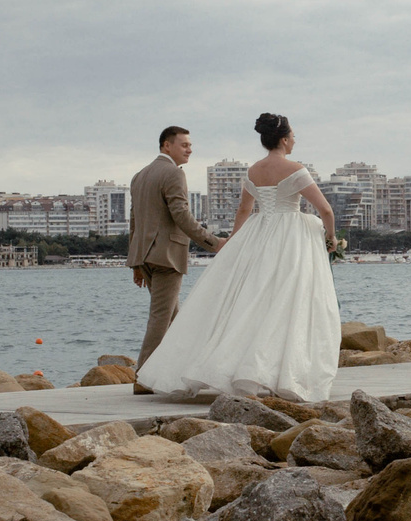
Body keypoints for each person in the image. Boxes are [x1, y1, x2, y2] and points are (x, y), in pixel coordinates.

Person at [134, 111, 343, 401]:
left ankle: (224, 364)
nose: (295, 140)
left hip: (258, 234)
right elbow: (326, 210)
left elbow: (244, 210)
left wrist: (234, 242)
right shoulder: (296, 169)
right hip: (290, 239)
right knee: (286, 301)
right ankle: (274, 370)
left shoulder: (252, 171)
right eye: (293, 136)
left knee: (247, 300)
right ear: (284, 139)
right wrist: (331, 238)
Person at [128, 126, 223, 370]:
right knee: (161, 317)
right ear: (166, 145)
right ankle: (143, 374)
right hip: (166, 256)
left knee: (172, 317)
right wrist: (214, 242)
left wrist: (136, 263)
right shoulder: (173, 173)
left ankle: (180, 368)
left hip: (146, 257)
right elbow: (181, 215)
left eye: (190, 145)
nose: (190, 149)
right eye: (184, 145)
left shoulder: (140, 175)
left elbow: (134, 221)